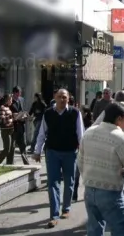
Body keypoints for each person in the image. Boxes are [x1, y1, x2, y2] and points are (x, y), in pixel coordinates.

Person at [78, 102, 124, 236]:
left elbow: (80, 161)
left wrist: (88, 177)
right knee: (120, 229)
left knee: (94, 229)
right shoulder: (122, 138)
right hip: (111, 192)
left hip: (89, 190)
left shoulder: (88, 133)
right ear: (118, 119)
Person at [33, 89, 84, 228]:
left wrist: (83, 152)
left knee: (69, 182)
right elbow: (42, 133)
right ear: (55, 97)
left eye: (65, 97)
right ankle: (54, 215)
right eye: (59, 97)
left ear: (68, 98)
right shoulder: (48, 113)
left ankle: (66, 208)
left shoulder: (75, 113)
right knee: (52, 183)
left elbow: (81, 134)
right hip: (52, 152)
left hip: (70, 152)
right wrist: (37, 151)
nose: (62, 99)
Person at [73, 106, 94, 202]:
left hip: (88, 153)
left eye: (82, 112)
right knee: (76, 175)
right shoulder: (76, 123)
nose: (80, 113)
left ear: (86, 113)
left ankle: (88, 195)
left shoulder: (91, 126)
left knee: (87, 175)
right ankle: (74, 195)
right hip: (78, 152)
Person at [0, 94, 15, 165]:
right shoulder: (2, 107)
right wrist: (12, 118)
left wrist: (15, 117)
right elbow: (2, 119)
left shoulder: (8, 107)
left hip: (10, 129)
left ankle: (8, 163)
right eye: (10, 99)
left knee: (9, 149)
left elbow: (9, 118)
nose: (11, 101)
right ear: (7, 100)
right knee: (6, 150)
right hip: (5, 130)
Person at [10, 87, 30, 165]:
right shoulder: (10, 101)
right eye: (18, 93)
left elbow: (21, 110)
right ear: (14, 93)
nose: (19, 95)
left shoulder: (21, 100)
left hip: (21, 126)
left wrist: (25, 116)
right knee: (12, 146)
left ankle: (26, 162)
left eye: (20, 93)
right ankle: (10, 163)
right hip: (13, 127)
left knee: (23, 145)